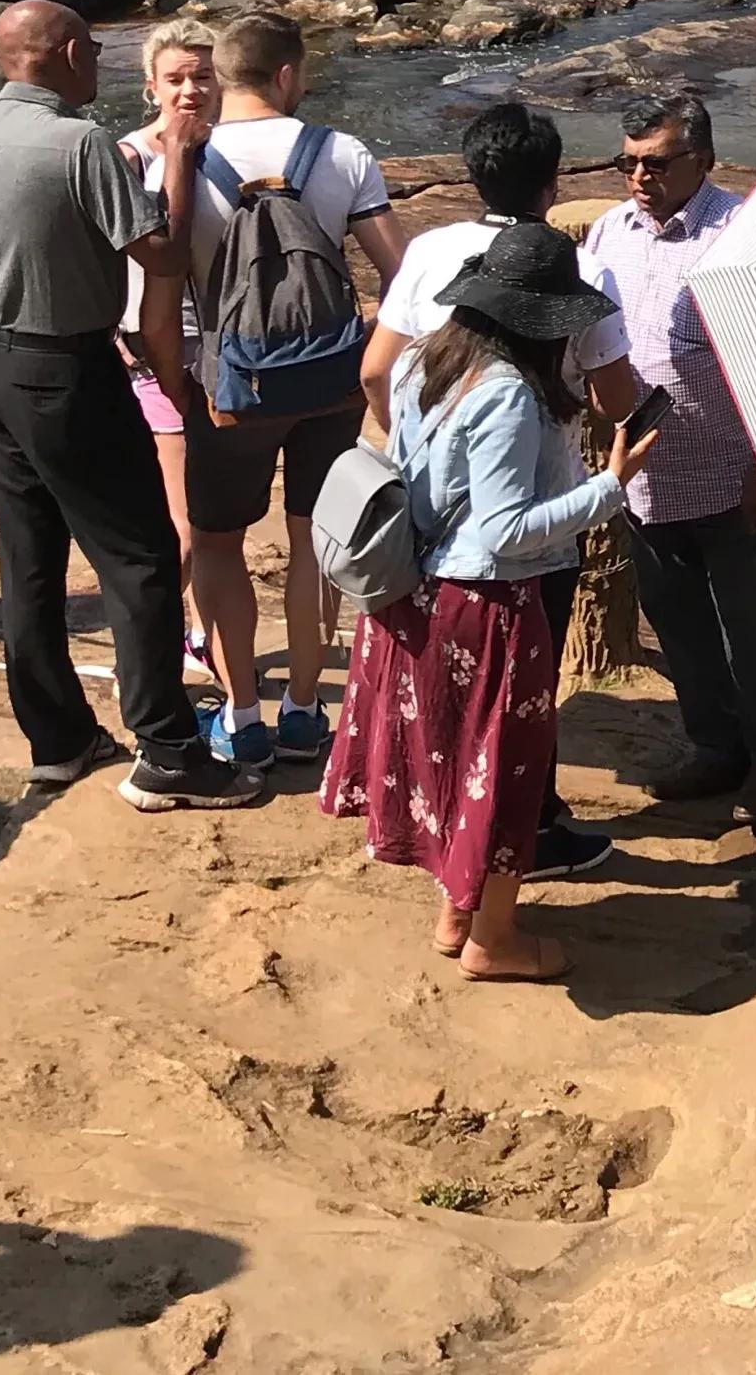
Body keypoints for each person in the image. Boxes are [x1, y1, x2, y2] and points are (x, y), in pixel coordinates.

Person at [0, 0, 255, 813]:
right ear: (65, 53)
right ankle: (168, 751)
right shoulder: (84, 142)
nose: (98, 58)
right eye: (93, 46)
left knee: (27, 557)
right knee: (139, 556)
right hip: (64, 368)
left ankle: (58, 739)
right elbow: (161, 251)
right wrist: (174, 156)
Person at [322, 222, 644, 984]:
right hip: (484, 605)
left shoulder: (423, 364)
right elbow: (505, 532)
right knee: (503, 769)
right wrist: (609, 486)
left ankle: (455, 911)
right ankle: (492, 938)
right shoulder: (507, 394)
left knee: (451, 758)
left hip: (413, 594)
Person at [364, 100, 641, 885]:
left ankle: (450, 826)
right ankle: (526, 830)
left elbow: (375, 370)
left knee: (448, 699)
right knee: (520, 694)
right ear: (553, 184)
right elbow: (614, 399)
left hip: (424, 527)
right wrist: (609, 479)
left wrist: (429, 458)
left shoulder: (428, 253)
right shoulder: (565, 268)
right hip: (519, 538)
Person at [175, 15, 402, 775]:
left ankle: (241, 718)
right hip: (329, 380)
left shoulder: (183, 156)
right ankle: (306, 713)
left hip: (228, 383)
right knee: (313, 537)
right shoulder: (341, 152)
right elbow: (397, 272)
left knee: (216, 542)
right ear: (285, 75)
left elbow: (159, 278)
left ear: (220, 75)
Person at [578, 93, 756, 824]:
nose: (639, 176)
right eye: (628, 161)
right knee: (677, 622)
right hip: (644, 475)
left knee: (752, 627)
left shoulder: (744, 235)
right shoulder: (609, 231)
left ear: (701, 160)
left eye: (656, 162)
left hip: (730, 470)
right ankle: (715, 746)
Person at [114, 22, 220, 589]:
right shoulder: (129, 157)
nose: (190, 91)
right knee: (183, 520)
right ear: (151, 85)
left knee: (218, 519)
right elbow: (100, 252)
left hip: (231, 350)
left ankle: (198, 633)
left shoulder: (236, 149)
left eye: (203, 76)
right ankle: (159, 650)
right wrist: (111, 333)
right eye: (175, 78)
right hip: (159, 351)